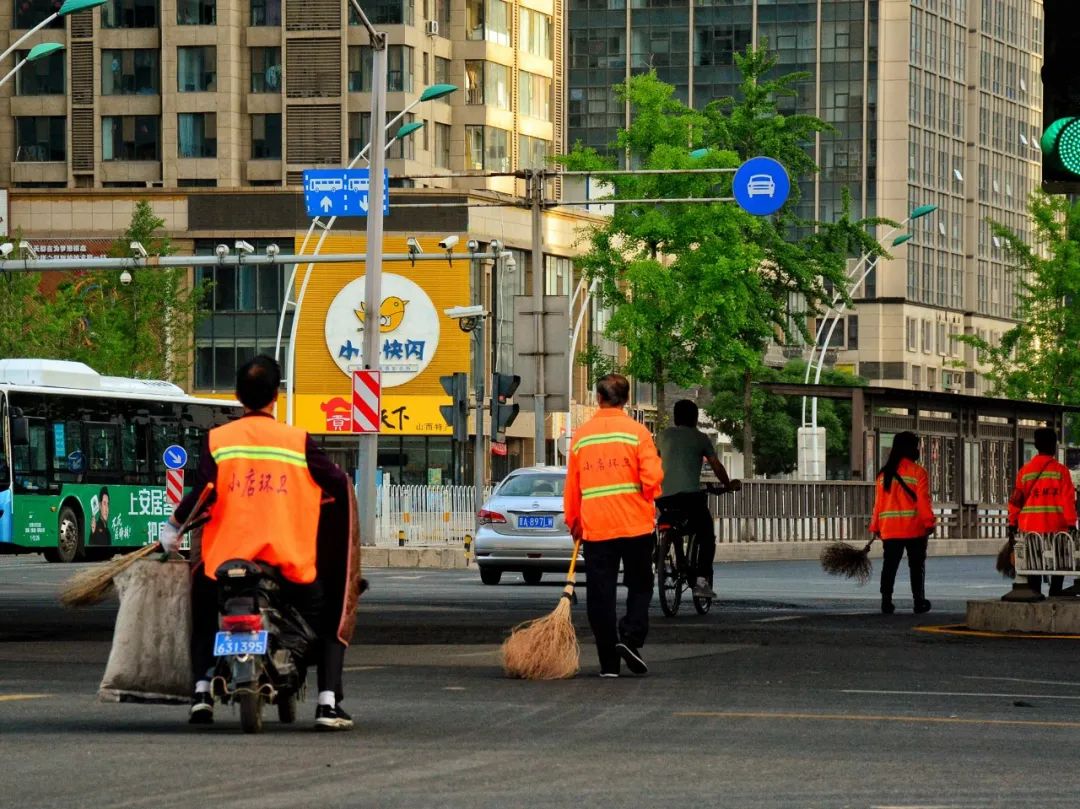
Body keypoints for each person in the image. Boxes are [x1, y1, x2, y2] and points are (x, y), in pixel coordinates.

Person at [162, 355, 357, 730]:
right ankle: (328, 702)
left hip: (223, 565)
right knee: (334, 608)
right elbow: (338, 485)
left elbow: (204, 491)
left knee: (202, 612)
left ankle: (202, 692)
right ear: (276, 396)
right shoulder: (297, 442)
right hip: (289, 566)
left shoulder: (219, 440)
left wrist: (174, 527)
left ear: (238, 396)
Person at [563, 374, 663, 678]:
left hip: (597, 527)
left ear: (598, 398)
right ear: (627, 399)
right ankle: (631, 637)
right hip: (635, 526)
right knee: (640, 584)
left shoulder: (582, 436)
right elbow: (653, 477)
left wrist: (574, 521)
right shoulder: (638, 433)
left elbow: (572, 486)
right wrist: (649, 497)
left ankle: (609, 664)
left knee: (600, 594)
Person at [655, 399, 736, 599]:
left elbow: (652, 462)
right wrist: (727, 484)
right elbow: (716, 466)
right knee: (706, 533)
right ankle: (701, 581)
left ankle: (663, 557)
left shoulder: (662, 436)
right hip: (690, 498)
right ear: (695, 418)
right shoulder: (700, 438)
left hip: (663, 498)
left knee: (663, 523)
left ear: (675, 417)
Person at [868, 431, 936, 615]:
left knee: (889, 566)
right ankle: (919, 601)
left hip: (890, 530)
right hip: (914, 529)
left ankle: (886, 602)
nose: (918, 449)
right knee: (916, 566)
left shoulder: (883, 474)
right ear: (911, 448)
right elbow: (923, 501)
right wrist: (929, 522)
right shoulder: (918, 472)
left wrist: (875, 527)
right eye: (916, 446)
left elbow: (878, 505)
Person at [1007, 427, 1078, 597]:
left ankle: (1034, 591)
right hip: (1056, 528)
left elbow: (1015, 501)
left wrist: (1012, 523)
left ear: (1037, 445)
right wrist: (1071, 524)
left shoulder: (1025, 472)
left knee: (1033, 561)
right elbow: (1068, 500)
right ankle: (1055, 590)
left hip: (1030, 528)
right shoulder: (1061, 471)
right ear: (1053, 445)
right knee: (1059, 560)